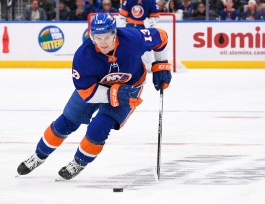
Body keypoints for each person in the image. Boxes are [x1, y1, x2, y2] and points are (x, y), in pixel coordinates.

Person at [17, 13, 172, 180]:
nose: (103, 42)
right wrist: (112, 93)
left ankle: (79, 163)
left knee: (99, 127)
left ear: (115, 33)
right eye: (98, 37)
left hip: (129, 87)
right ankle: (38, 156)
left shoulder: (133, 38)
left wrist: (160, 65)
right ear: (92, 36)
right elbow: (86, 92)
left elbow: (161, 37)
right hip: (95, 88)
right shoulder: (83, 56)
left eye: (107, 37)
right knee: (66, 121)